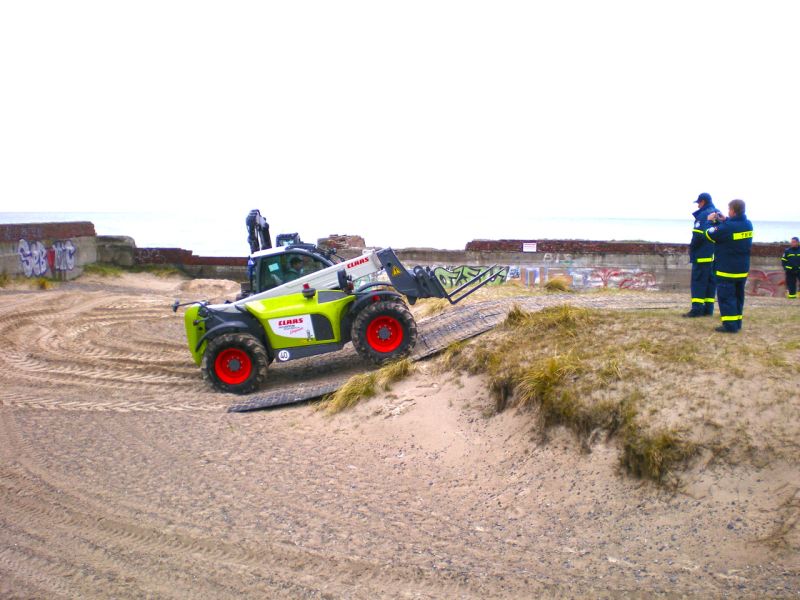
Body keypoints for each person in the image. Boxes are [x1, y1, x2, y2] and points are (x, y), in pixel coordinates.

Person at [705, 199, 753, 333]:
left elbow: (709, 234)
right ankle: (737, 322)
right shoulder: (748, 225)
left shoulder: (727, 227)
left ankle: (729, 325)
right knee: (738, 297)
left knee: (726, 297)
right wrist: (725, 220)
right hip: (741, 269)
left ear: (732, 210)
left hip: (727, 269)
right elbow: (733, 229)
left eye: (729, 209)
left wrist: (709, 221)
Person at [685, 192, 718, 317]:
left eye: (698, 203)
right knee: (710, 282)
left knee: (698, 282)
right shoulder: (718, 213)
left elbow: (697, 236)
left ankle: (697, 309)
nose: (698, 206)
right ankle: (708, 309)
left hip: (702, 255)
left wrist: (692, 249)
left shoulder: (703, 215)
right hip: (714, 255)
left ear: (703, 202)